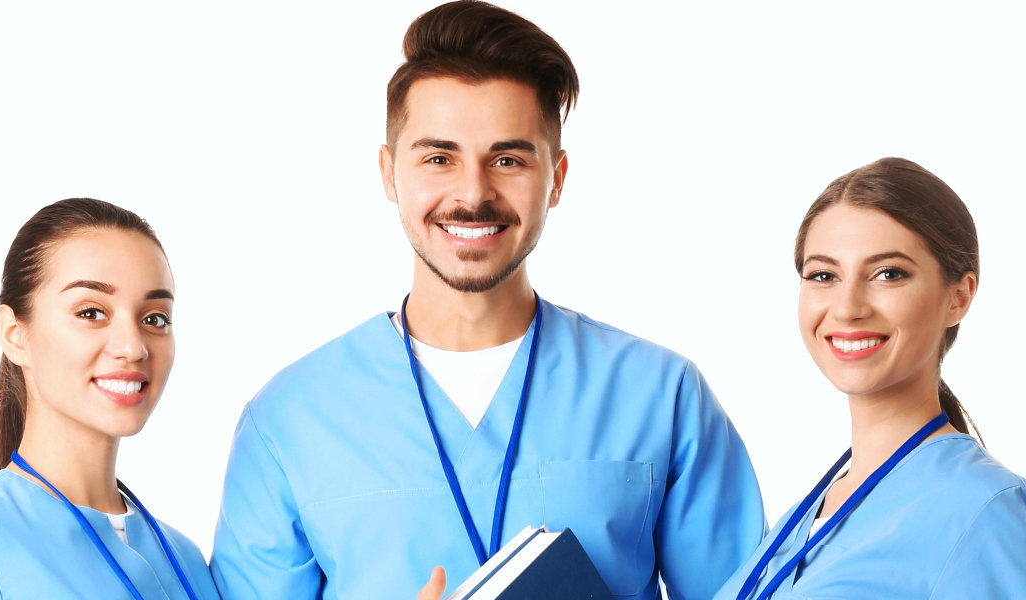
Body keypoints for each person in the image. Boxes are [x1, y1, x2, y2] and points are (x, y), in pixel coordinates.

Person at [209, 2, 764, 599]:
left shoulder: (661, 395)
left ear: (557, 177)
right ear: (389, 171)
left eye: (508, 159)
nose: (473, 193)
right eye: (439, 158)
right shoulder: (289, 420)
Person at [715, 158, 1026, 599]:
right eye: (824, 275)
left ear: (958, 297)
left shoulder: (989, 509)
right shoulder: (809, 515)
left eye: (889, 274)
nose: (847, 307)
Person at [0, 198, 218, 600]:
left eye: (155, 319)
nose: (133, 347)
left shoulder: (185, 560)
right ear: (15, 334)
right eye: (91, 312)